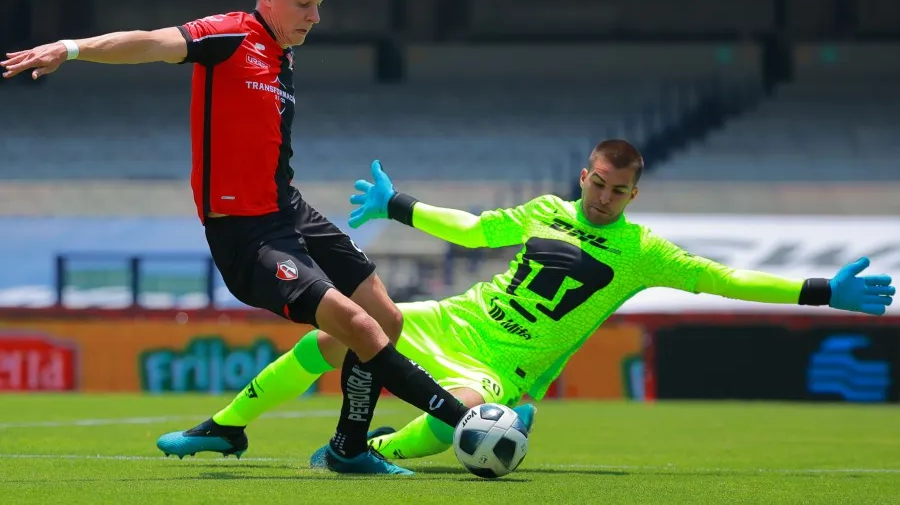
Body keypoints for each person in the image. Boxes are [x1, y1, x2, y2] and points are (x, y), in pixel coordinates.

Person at [1, 0, 471, 476]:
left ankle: (319, 441)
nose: (315, 17)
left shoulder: (281, 53)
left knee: (386, 317)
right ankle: (463, 423)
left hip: (289, 209)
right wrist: (72, 47)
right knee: (361, 327)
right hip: (246, 233)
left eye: (319, 4)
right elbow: (153, 44)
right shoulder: (228, 33)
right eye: (305, 3)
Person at [156, 139, 895, 465]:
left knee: (456, 418)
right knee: (331, 339)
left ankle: (367, 449)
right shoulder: (547, 208)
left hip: (508, 361)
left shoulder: (644, 253)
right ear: (585, 176)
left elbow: (727, 279)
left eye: (619, 190)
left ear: (635, 193)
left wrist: (825, 290)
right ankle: (225, 427)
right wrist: (398, 203)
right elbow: (475, 229)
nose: (604, 197)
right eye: (597, 184)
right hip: (459, 316)